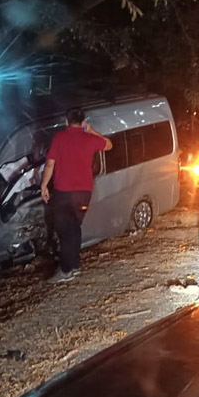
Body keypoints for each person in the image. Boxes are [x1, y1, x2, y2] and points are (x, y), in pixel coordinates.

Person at [41, 108, 113, 282]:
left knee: (65, 231)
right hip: (84, 194)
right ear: (82, 122)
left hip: (64, 193)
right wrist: (91, 130)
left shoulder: (59, 138)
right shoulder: (90, 139)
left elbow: (50, 164)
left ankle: (66, 270)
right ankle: (74, 266)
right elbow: (109, 145)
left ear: (66, 121)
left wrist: (44, 185)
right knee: (74, 228)